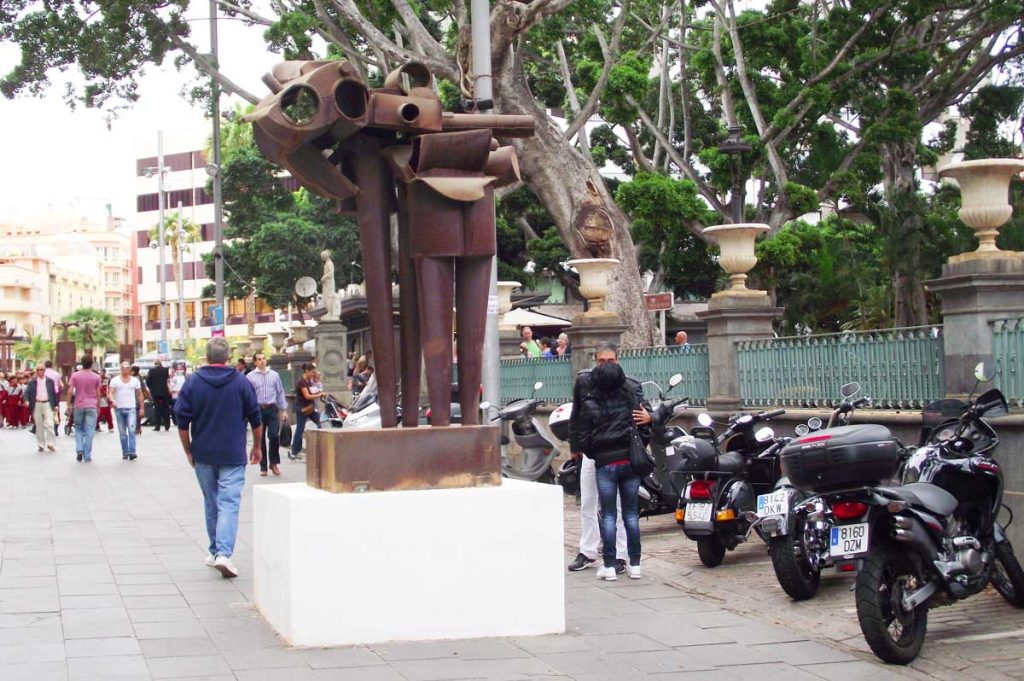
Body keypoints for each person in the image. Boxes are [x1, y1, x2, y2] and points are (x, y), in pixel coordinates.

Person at [174, 336, 263, 579]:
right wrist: (257, 447)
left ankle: (215, 551)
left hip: (203, 452)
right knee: (229, 503)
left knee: (211, 502)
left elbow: (182, 422)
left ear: (207, 356)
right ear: (228, 357)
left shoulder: (193, 383)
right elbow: (256, 418)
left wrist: (188, 450)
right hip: (233, 453)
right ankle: (223, 553)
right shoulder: (241, 382)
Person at [568, 341, 651, 581]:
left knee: (618, 508)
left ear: (618, 360)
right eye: (602, 361)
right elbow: (577, 415)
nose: (606, 365)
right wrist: (577, 446)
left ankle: (620, 556)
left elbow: (643, 416)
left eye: (610, 361)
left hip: (619, 453)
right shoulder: (584, 382)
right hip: (594, 452)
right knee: (589, 502)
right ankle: (588, 550)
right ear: (595, 361)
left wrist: (648, 422)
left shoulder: (629, 384)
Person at [247, 352, 287, 477]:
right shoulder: (250, 377)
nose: (262, 361)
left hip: (272, 408)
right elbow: (248, 395)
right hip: (258, 409)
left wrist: (284, 409)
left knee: (274, 435)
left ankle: (273, 462)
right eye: (259, 359)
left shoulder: (274, 375)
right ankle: (263, 466)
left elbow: (280, 392)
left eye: (263, 358)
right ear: (255, 362)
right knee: (260, 438)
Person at [67, 355, 104, 462]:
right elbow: (98, 393)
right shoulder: (96, 377)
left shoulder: (75, 375)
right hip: (91, 405)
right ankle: (87, 455)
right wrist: (98, 406)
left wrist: (69, 405)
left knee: (78, 427)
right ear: (91, 363)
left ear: (81, 363)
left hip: (79, 405)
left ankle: (79, 449)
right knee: (89, 430)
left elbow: (69, 391)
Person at [109, 362, 144, 460]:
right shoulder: (115, 380)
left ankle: (132, 451)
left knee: (132, 430)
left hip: (131, 408)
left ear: (130, 369)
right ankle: (125, 451)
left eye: (127, 367)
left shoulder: (134, 381)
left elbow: (139, 394)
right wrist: (112, 400)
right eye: (123, 367)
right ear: (120, 368)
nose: (125, 369)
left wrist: (142, 408)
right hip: (119, 408)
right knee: (122, 433)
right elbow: (111, 392)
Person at [26, 364, 59, 452]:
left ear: (44, 371)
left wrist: (56, 405)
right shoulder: (32, 382)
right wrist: (26, 400)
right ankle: (41, 444)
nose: (40, 371)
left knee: (50, 423)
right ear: (36, 371)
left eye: (41, 370)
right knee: (39, 425)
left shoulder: (50, 381)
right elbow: (27, 392)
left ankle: (50, 443)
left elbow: (54, 393)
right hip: (37, 404)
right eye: (38, 370)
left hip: (47, 403)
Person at [290, 362, 318, 460]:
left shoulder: (309, 381)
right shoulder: (302, 382)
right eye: (312, 372)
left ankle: (296, 451)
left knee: (320, 422)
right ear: (306, 371)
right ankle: (294, 451)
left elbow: (315, 389)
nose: (313, 374)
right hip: (302, 408)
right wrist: (319, 395)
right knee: (300, 429)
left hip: (310, 407)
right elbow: (307, 395)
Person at [146, 359, 172, 431]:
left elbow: (148, 381)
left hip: (156, 394)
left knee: (157, 409)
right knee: (166, 408)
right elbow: (168, 380)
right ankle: (167, 425)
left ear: (154, 364)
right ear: (161, 363)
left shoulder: (151, 371)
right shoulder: (165, 370)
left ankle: (157, 426)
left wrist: (152, 389)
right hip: (164, 392)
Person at [44, 360, 64, 437]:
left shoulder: (43, 374)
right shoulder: (57, 374)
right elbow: (61, 385)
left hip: (45, 393)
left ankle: (47, 427)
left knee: (45, 409)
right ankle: (56, 428)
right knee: (55, 410)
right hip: (55, 393)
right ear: (52, 365)